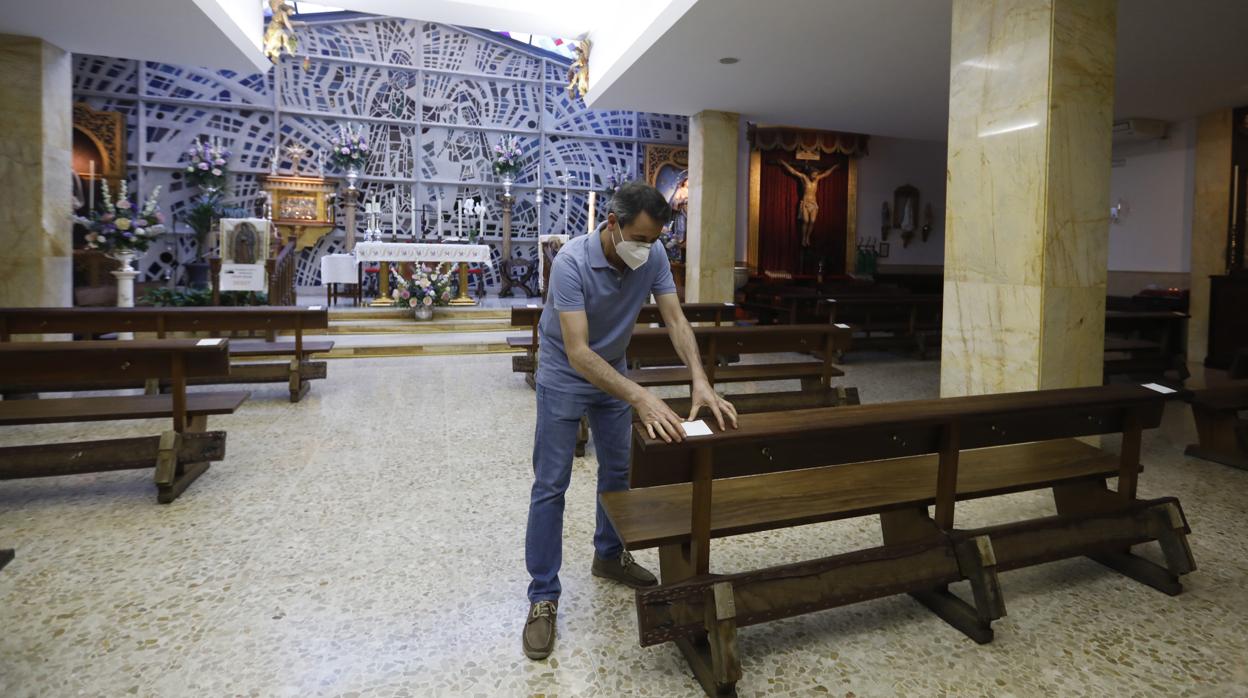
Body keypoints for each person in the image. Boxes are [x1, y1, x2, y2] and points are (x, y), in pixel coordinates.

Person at [522, 181, 738, 660]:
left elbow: (676, 321)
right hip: (565, 371)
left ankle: (608, 555)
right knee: (551, 484)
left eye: (653, 240)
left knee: (618, 472)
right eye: (639, 239)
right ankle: (542, 596)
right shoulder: (572, 264)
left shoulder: (653, 254)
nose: (646, 249)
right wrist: (641, 397)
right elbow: (578, 351)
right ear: (613, 224)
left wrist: (699, 380)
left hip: (615, 369)